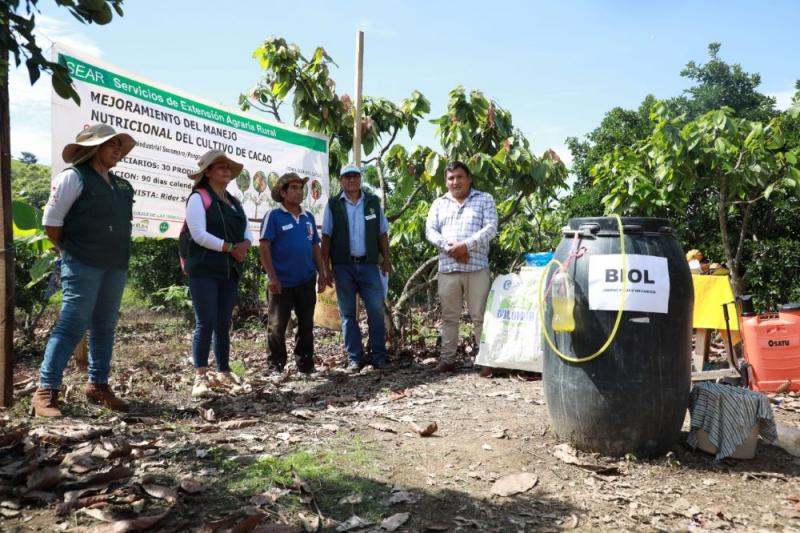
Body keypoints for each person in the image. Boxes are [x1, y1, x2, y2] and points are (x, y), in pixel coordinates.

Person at [33, 124, 137, 417]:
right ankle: (46, 390)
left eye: (119, 146)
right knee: (72, 323)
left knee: (105, 325)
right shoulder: (73, 177)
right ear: (94, 148)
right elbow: (52, 222)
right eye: (111, 144)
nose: (118, 150)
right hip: (82, 262)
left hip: (115, 264)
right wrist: (69, 251)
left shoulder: (121, 185)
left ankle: (98, 386)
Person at [184, 149, 253, 398]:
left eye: (228, 167)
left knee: (224, 322)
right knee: (206, 322)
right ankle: (200, 377)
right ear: (207, 172)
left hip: (229, 270)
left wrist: (244, 245)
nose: (226, 170)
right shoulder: (198, 198)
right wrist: (230, 248)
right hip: (204, 269)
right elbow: (199, 234)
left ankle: (223, 370)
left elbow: (247, 230)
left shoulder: (235, 202)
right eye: (220, 166)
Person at [425, 160, 498, 373]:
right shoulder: (439, 204)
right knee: (449, 317)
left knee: (480, 316)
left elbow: (491, 228)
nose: (455, 182)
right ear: (446, 182)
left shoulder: (484, 199)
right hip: (448, 269)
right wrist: (451, 248)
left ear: (469, 179)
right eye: (451, 178)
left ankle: (486, 361)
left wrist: (465, 246)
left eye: (459, 177)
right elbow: (430, 231)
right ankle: (447, 360)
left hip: (476, 268)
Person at [321, 164, 392, 372]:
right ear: (341, 180)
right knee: (348, 314)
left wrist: (386, 260)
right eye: (347, 177)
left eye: (355, 176)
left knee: (376, 311)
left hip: (369, 265)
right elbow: (326, 237)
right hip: (343, 267)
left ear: (360, 179)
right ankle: (355, 358)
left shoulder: (372, 202)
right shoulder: (334, 205)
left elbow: (382, 233)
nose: (351, 180)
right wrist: (325, 268)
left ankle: (379, 356)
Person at [259, 172, 326, 375]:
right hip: (281, 282)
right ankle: (275, 366)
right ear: (283, 192)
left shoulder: (308, 217)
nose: (299, 192)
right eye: (294, 188)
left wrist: (322, 274)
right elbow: (264, 247)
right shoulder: (274, 216)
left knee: (306, 324)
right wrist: (272, 277)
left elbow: (315, 246)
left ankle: (305, 365)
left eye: (301, 188)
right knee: (276, 326)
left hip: (306, 280)